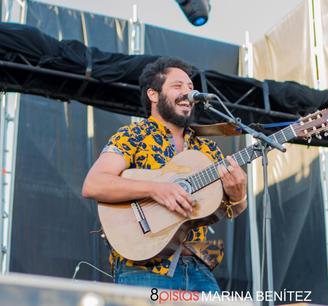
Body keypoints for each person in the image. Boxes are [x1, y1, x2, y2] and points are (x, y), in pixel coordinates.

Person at [82, 56, 247, 292]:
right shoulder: (133, 135)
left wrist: (239, 195)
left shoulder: (208, 150)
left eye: (191, 87)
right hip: (142, 268)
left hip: (198, 267)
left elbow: (231, 211)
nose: (188, 93)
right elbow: (94, 184)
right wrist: (156, 189)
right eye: (177, 86)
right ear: (153, 94)